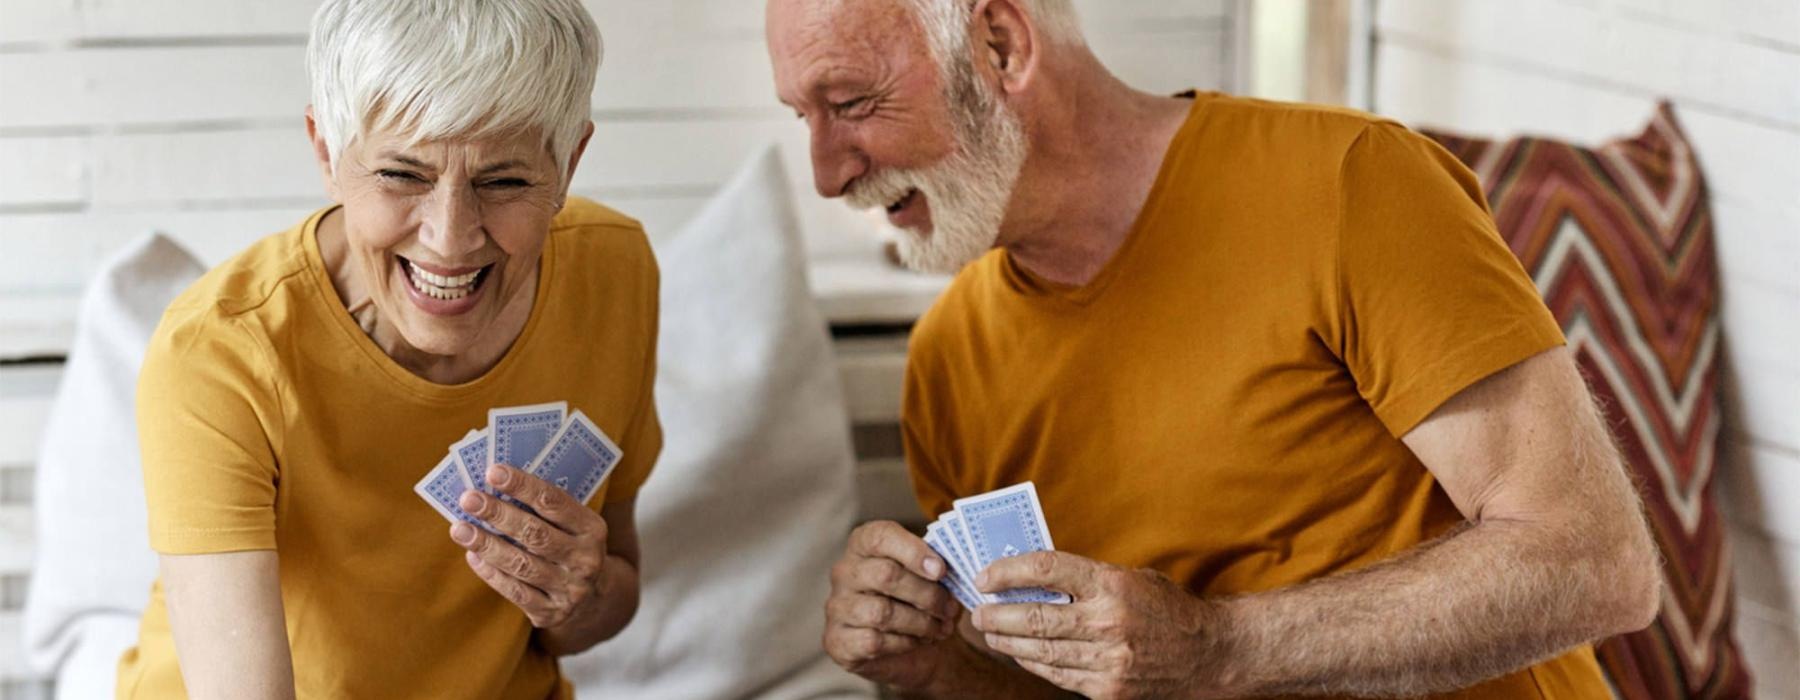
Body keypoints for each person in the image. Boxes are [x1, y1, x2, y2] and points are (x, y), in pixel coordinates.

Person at [766, 1, 1662, 698]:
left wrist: (1220, 647)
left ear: (1000, 45)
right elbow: (1079, 683)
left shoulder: (1351, 183)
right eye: (804, 116)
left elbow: (1594, 560)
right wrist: (935, 665)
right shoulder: (950, 356)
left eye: (851, 104)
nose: (827, 172)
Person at [118, 1, 662, 696]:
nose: (451, 236)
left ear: (569, 162)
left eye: (504, 181)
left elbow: (604, 605)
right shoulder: (221, 354)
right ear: (326, 153)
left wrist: (579, 597)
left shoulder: (613, 271)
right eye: (402, 175)